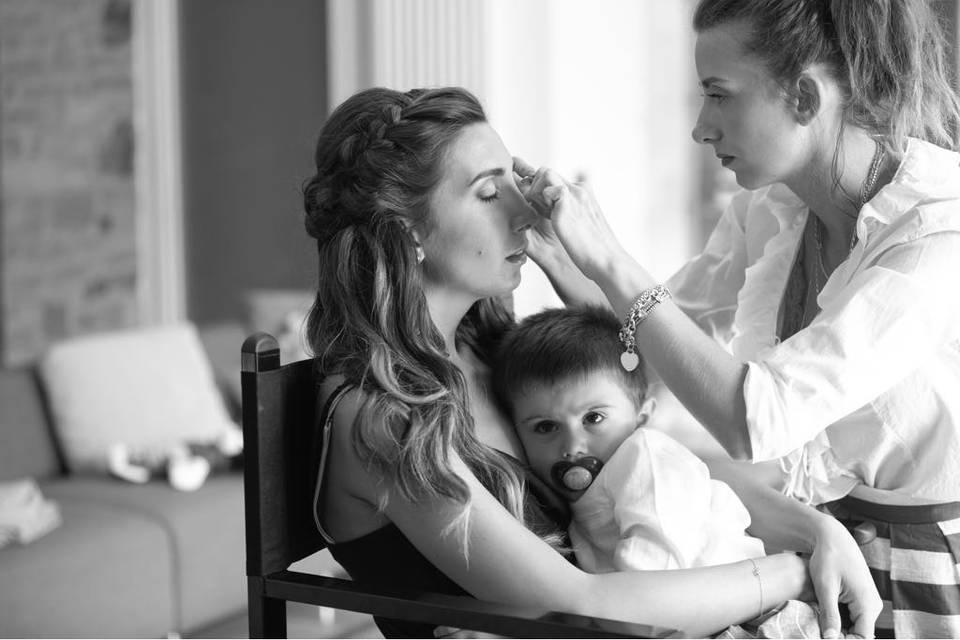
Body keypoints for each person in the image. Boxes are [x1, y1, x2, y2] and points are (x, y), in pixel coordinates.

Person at [303, 85, 879, 639]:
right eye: (487, 193)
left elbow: (658, 466)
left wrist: (816, 529)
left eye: (516, 181)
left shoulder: (494, 356)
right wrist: (790, 570)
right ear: (407, 235)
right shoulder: (380, 417)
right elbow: (585, 608)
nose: (524, 213)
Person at [515, 0, 959, 637]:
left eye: (719, 95)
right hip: (821, 540)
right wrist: (565, 262)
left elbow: (758, 419)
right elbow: (654, 347)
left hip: (930, 565)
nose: (700, 127)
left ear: (804, 96)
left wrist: (609, 255)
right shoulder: (775, 206)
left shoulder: (937, 235)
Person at [492, 305, 822, 638]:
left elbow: (648, 591)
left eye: (593, 418)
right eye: (545, 427)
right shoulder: (580, 491)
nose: (572, 445)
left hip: (756, 622)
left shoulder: (644, 458)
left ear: (642, 415)